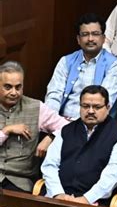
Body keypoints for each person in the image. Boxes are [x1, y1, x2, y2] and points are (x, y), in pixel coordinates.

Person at [42, 86, 117, 205]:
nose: (90, 111)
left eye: (97, 107)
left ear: (108, 108)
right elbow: (50, 165)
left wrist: (87, 199)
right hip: (58, 197)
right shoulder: (66, 130)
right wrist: (58, 193)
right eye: (85, 106)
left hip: (94, 201)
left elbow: (113, 174)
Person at [0, 61, 68, 193]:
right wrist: (6, 130)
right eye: (8, 87)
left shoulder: (37, 107)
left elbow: (69, 128)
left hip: (20, 182)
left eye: (18, 87)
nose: (14, 92)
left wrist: (51, 137)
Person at [45, 13, 117, 120]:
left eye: (95, 34)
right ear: (78, 39)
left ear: (104, 38)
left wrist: (75, 126)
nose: (90, 39)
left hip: (94, 124)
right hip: (61, 122)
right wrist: (53, 122)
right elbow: (54, 95)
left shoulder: (114, 65)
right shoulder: (66, 61)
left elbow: (103, 103)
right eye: (85, 34)